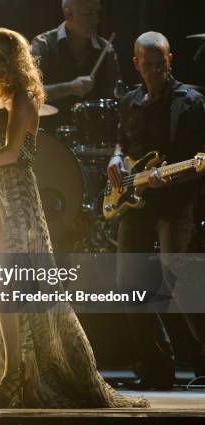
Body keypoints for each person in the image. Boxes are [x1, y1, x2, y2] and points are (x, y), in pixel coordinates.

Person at [0, 27, 147, 408]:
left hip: (15, 190)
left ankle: (15, 375)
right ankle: (13, 374)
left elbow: (14, 153)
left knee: (4, 283)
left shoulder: (23, 98)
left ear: (2, 58)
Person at [107, 31, 205, 390]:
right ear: (136, 64)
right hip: (137, 201)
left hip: (175, 201)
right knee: (128, 284)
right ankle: (157, 368)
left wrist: (173, 178)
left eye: (159, 64)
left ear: (170, 60)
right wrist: (116, 157)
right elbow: (121, 140)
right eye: (146, 65)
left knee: (182, 281)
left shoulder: (190, 102)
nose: (153, 71)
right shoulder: (130, 100)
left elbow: (201, 159)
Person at [30, 0, 120, 127]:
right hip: (51, 135)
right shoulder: (44, 45)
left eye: (96, 13)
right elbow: (28, 93)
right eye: (88, 14)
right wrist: (70, 87)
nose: (96, 20)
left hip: (94, 134)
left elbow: (114, 96)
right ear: (68, 14)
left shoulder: (106, 49)